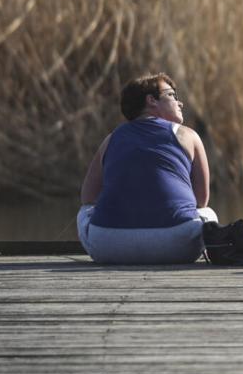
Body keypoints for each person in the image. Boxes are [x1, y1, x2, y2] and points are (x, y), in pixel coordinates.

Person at [78, 73, 217, 264]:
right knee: (208, 213)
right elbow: (201, 200)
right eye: (172, 95)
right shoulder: (189, 136)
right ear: (151, 100)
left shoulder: (111, 139)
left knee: (85, 211)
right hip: (178, 245)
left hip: (109, 247)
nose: (180, 102)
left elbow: (87, 197)